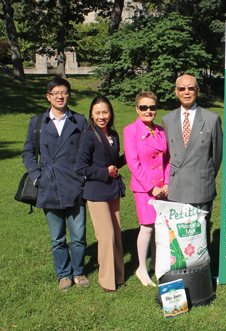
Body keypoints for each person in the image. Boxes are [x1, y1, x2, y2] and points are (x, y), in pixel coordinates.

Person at [22, 76, 89, 291]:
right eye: (56, 93)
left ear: (69, 95)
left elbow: (88, 151)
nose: (60, 97)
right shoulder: (38, 122)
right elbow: (28, 152)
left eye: (64, 93)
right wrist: (36, 177)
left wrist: (83, 177)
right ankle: (64, 275)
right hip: (49, 186)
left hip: (75, 185)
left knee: (78, 236)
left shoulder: (79, 120)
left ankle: (78, 272)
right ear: (48, 96)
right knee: (58, 238)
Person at [161, 74, 223, 249]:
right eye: (182, 88)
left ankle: (202, 272)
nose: (186, 92)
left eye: (190, 88)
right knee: (177, 234)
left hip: (201, 186)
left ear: (197, 90)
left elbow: (217, 155)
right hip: (177, 187)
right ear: (176, 92)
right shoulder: (167, 119)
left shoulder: (212, 119)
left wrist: (205, 174)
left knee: (200, 233)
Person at [76, 96, 127, 292]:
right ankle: (107, 281)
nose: (101, 116)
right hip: (96, 191)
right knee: (106, 235)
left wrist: (131, 154)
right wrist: (104, 172)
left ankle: (119, 276)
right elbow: (81, 167)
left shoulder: (113, 134)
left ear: (111, 113)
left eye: (105, 112)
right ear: (91, 114)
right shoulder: (88, 135)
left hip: (112, 189)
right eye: (97, 113)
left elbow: (114, 161)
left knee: (116, 235)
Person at [124, 91, 170, 287]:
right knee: (147, 226)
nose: (148, 111)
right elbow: (133, 163)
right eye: (144, 107)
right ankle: (141, 267)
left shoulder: (161, 130)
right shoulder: (131, 130)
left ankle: (156, 263)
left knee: (160, 226)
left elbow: (168, 160)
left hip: (163, 187)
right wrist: (151, 187)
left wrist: (166, 183)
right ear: (137, 109)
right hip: (145, 188)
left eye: (152, 107)